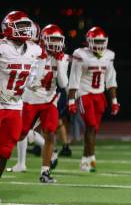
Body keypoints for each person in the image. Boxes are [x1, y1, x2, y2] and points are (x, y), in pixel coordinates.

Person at [14, 24, 69, 183]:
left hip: (49, 100)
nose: (56, 43)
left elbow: (63, 83)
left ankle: (45, 172)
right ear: (44, 39)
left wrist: (58, 63)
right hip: (30, 100)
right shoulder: (34, 53)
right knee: (19, 134)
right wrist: (42, 58)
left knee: (50, 134)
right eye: (52, 39)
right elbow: (32, 81)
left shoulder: (63, 57)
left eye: (58, 40)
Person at [68, 26, 119, 172]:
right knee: (90, 126)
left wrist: (114, 101)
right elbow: (74, 78)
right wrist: (72, 100)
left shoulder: (109, 55)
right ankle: (91, 158)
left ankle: (85, 160)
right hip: (85, 94)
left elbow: (111, 79)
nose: (99, 45)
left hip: (99, 95)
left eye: (101, 41)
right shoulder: (81, 54)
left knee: (94, 129)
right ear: (89, 41)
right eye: (96, 41)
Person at [0, 11, 42, 177]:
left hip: (15, 106)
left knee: (4, 152)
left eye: (26, 25)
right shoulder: (2, 48)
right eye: (20, 26)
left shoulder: (34, 50)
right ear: (8, 27)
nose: (25, 29)